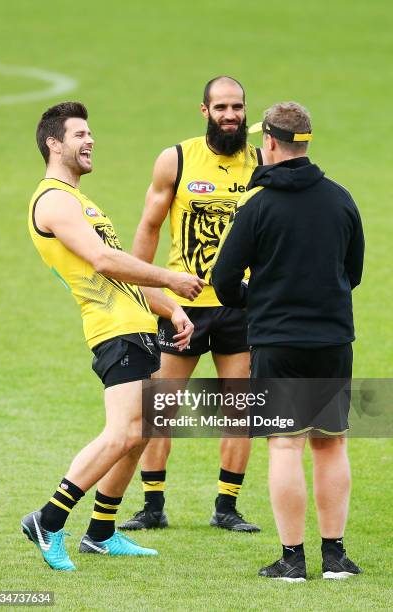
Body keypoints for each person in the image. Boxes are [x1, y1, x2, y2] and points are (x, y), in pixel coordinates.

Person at [22, 101, 204, 571]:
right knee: (123, 430)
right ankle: (48, 518)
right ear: (53, 143)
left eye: (90, 134)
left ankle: (101, 531)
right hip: (113, 330)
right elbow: (103, 263)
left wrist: (171, 309)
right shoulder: (53, 200)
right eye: (79, 135)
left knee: (141, 431)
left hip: (137, 325)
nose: (90, 141)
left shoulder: (82, 202)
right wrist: (170, 278)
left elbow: (122, 272)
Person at [212, 101, 364, 581]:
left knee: (284, 445)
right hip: (332, 339)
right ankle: (336, 557)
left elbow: (223, 279)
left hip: (278, 343)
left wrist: (254, 301)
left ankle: (292, 560)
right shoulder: (341, 199)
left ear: (270, 143)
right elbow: (353, 272)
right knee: (331, 445)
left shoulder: (258, 206)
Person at [118, 76, 263, 533]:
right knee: (161, 406)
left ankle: (227, 507)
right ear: (205, 111)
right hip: (185, 302)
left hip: (240, 304)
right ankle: (153, 504)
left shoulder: (263, 161)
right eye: (221, 107)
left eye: (237, 107)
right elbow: (149, 224)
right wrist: (144, 283)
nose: (231, 115)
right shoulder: (176, 159)